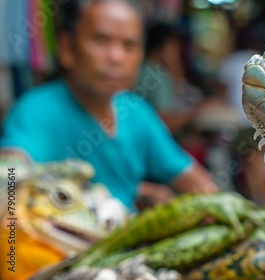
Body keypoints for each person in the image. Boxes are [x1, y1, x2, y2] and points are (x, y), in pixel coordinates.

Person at [0, 0, 218, 212]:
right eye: (101, 40)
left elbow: (196, 181)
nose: (116, 56)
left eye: (129, 45)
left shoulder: (136, 111)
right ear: (67, 48)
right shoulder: (36, 110)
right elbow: (10, 174)